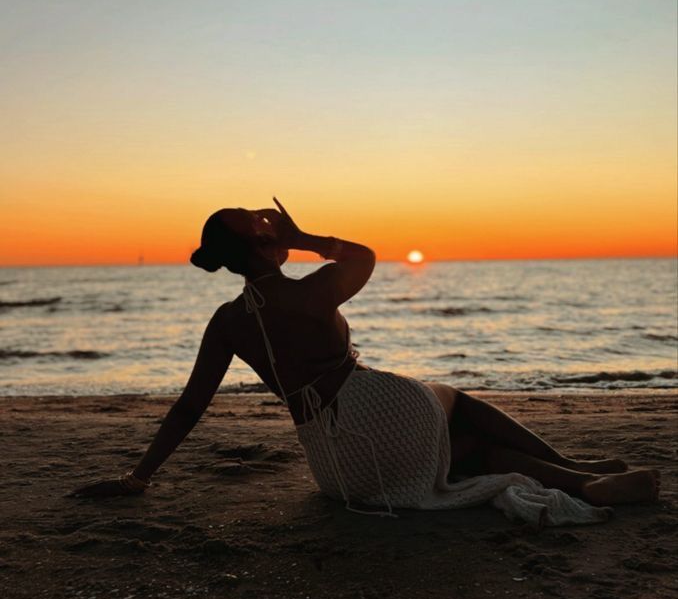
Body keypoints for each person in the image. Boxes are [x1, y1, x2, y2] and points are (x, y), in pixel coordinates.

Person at [69, 199, 660, 513]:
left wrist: (138, 476)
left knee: (476, 452)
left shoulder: (227, 322)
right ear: (266, 244)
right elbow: (368, 255)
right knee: (458, 403)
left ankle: (583, 481)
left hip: (339, 467)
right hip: (378, 406)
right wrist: (303, 239)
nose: (265, 217)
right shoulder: (311, 291)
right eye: (259, 221)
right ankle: (580, 476)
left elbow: (189, 407)